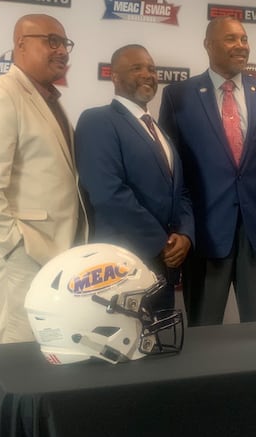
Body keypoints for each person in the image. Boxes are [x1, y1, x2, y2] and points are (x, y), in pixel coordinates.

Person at [0, 14, 87, 344]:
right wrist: (13, 246)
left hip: (53, 256)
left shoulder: (47, 99)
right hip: (20, 258)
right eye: (51, 41)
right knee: (15, 363)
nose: (61, 50)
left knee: (42, 364)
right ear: (20, 44)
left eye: (65, 43)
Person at [159, 16, 256, 326]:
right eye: (231, 39)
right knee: (203, 332)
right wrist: (181, 226)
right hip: (203, 234)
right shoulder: (178, 96)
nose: (241, 46)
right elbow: (171, 170)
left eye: (244, 39)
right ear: (208, 44)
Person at [74, 44, 194, 311]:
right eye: (136, 68)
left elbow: (181, 191)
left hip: (164, 267)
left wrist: (185, 235)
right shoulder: (97, 120)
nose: (148, 74)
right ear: (114, 76)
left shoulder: (159, 130)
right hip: (121, 266)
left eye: (151, 68)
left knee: (159, 346)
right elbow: (108, 194)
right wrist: (160, 242)